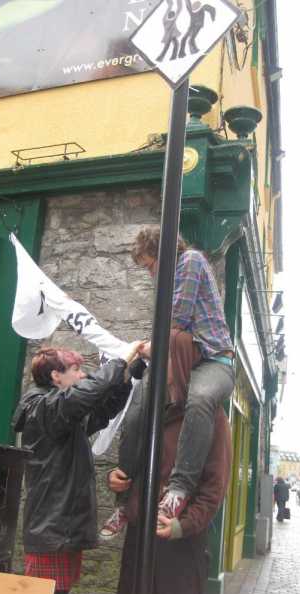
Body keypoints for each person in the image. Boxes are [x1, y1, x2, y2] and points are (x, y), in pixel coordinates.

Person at [100, 227, 234, 538]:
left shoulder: (189, 261)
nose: (149, 274)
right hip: (179, 360)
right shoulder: (169, 281)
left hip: (214, 361)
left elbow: (176, 320)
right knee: (136, 414)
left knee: (199, 400)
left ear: (163, 253)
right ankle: (124, 500)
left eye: (149, 265)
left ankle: (178, 491)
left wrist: (145, 347)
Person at [11, 344, 140, 594]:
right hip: (51, 530)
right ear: (56, 376)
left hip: (62, 527)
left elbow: (103, 410)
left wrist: (133, 369)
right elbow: (85, 393)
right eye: (76, 369)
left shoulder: (62, 414)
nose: (82, 375)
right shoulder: (42, 408)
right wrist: (120, 361)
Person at [110, 330, 232, 594]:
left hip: (178, 547)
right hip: (139, 539)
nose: (157, 365)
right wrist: (117, 480)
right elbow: (136, 468)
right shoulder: (151, 411)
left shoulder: (211, 417)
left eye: (165, 357)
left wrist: (181, 526)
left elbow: (214, 488)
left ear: (182, 362)